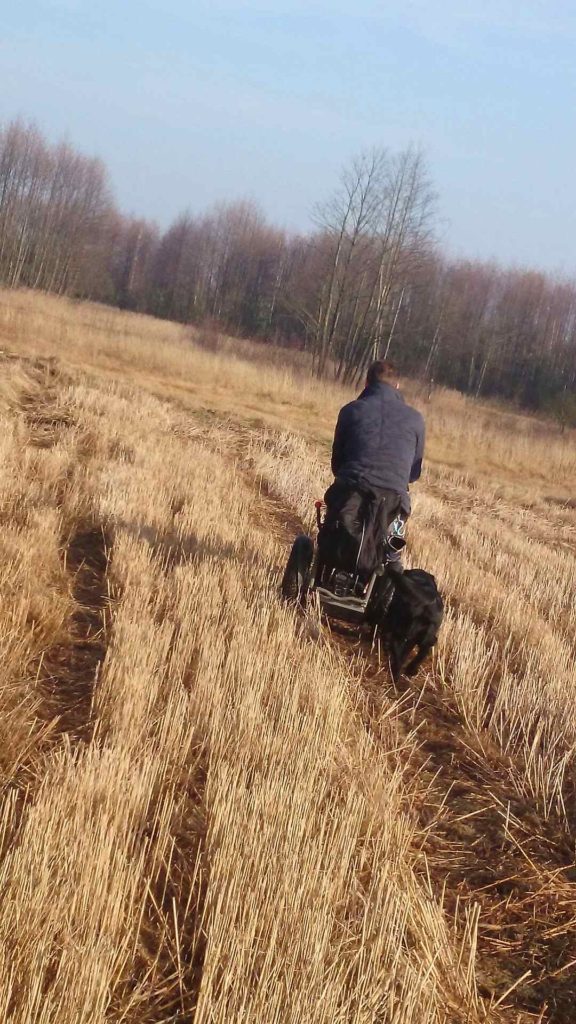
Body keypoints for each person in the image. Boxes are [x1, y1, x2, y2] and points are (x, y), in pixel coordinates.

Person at [321, 359, 425, 576]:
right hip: (393, 502)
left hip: (351, 492)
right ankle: (391, 565)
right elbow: (413, 473)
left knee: (336, 518)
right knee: (392, 545)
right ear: (397, 386)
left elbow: (337, 463)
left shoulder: (351, 411)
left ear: (366, 383)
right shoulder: (416, 420)